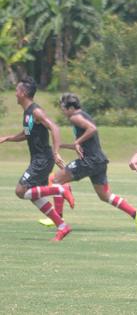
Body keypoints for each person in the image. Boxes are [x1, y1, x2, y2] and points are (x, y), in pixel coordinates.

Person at [55, 93, 137, 232]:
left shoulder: (75, 117)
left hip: (89, 161)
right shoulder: (82, 115)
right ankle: (136, 214)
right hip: (99, 161)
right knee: (104, 196)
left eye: (63, 108)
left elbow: (92, 129)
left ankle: (56, 219)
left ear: (71, 108)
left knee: (56, 180)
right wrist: (61, 146)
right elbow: (83, 142)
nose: (62, 111)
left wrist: (77, 142)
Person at [0, 77, 74, 241]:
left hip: (42, 159)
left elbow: (54, 128)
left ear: (24, 93)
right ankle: (62, 226)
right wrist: (8, 138)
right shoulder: (27, 113)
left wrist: (55, 153)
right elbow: (27, 133)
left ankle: (61, 190)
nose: (15, 93)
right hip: (38, 159)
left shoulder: (36, 111)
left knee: (21, 191)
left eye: (17, 90)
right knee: (34, 195)